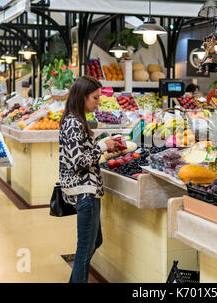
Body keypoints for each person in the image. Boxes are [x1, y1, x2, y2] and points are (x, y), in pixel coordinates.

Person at [59, 75, 120, 283]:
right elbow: (79, 162)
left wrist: (103, 145)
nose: (98, 102)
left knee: (95, 241)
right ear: (82, 97)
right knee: (84, 251)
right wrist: (102, 146)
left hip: (85, 190)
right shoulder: (73, 123)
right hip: (84, 191)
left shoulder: (75, 120)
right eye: (95, 98)